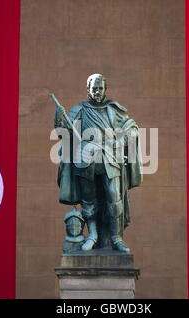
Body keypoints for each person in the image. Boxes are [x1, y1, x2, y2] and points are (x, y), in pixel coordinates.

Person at [54, 74, 142, 252]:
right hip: (85, 159)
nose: (97, 91)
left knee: (114, 199)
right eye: (94, 88)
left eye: (100, 88)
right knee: (89, 200)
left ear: (105, 89)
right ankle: (93, 235)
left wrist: (123, 140)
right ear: (88, 89)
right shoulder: (79, 109)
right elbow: (64, 131)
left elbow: (132, 127)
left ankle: (116, 238)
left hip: (110, 157)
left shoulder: (114, 110)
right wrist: (58, 118)